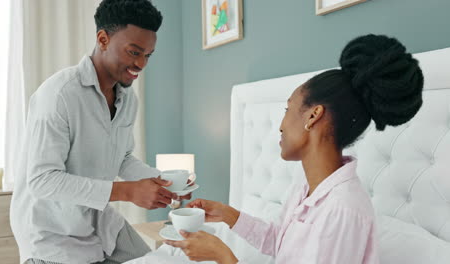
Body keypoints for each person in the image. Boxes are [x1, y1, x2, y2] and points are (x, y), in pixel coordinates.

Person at [164, 34, 424, 264]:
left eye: (287, 109)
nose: (280, 126)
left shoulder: (343, 210)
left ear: (313, 116)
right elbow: (282, 244)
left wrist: (224, 257)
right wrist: (229, 215)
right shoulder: (307, 187)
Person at [10, 1, 191, 263]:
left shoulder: (128, 99)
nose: (141, 64)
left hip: (96, 218)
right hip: (51, 231)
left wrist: (165, 183)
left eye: (148, 55)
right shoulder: (59, 95)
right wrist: (128, 191)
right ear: (103, 39)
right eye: (134, 52)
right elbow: (42, 180)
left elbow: (122, 158)